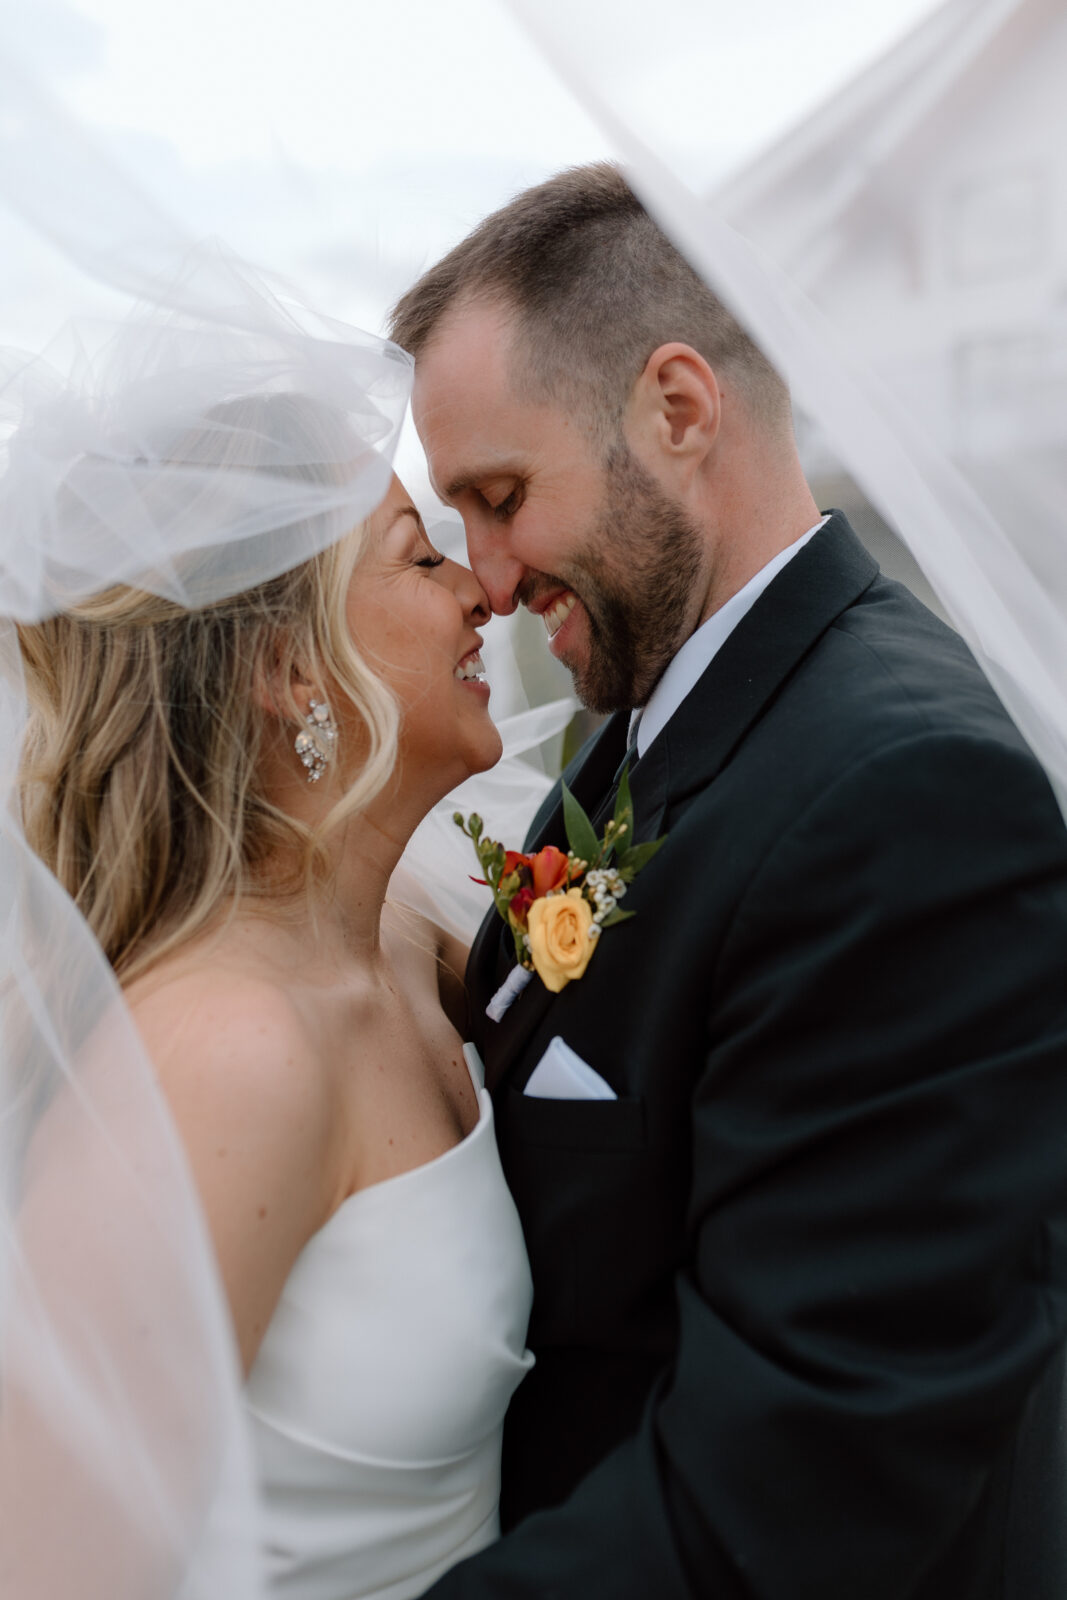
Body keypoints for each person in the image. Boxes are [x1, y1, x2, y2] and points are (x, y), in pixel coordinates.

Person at [389, 162, 1067, 1598]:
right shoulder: (639, 724)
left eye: (502, 498)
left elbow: (809, 1475)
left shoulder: (903, 801)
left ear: (679, 410)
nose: (491, 581)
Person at [2, 294, 544, 1599]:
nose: (483, 591)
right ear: (292, 670)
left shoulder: (411, 945)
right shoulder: (227, 1057)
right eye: (422, 557)